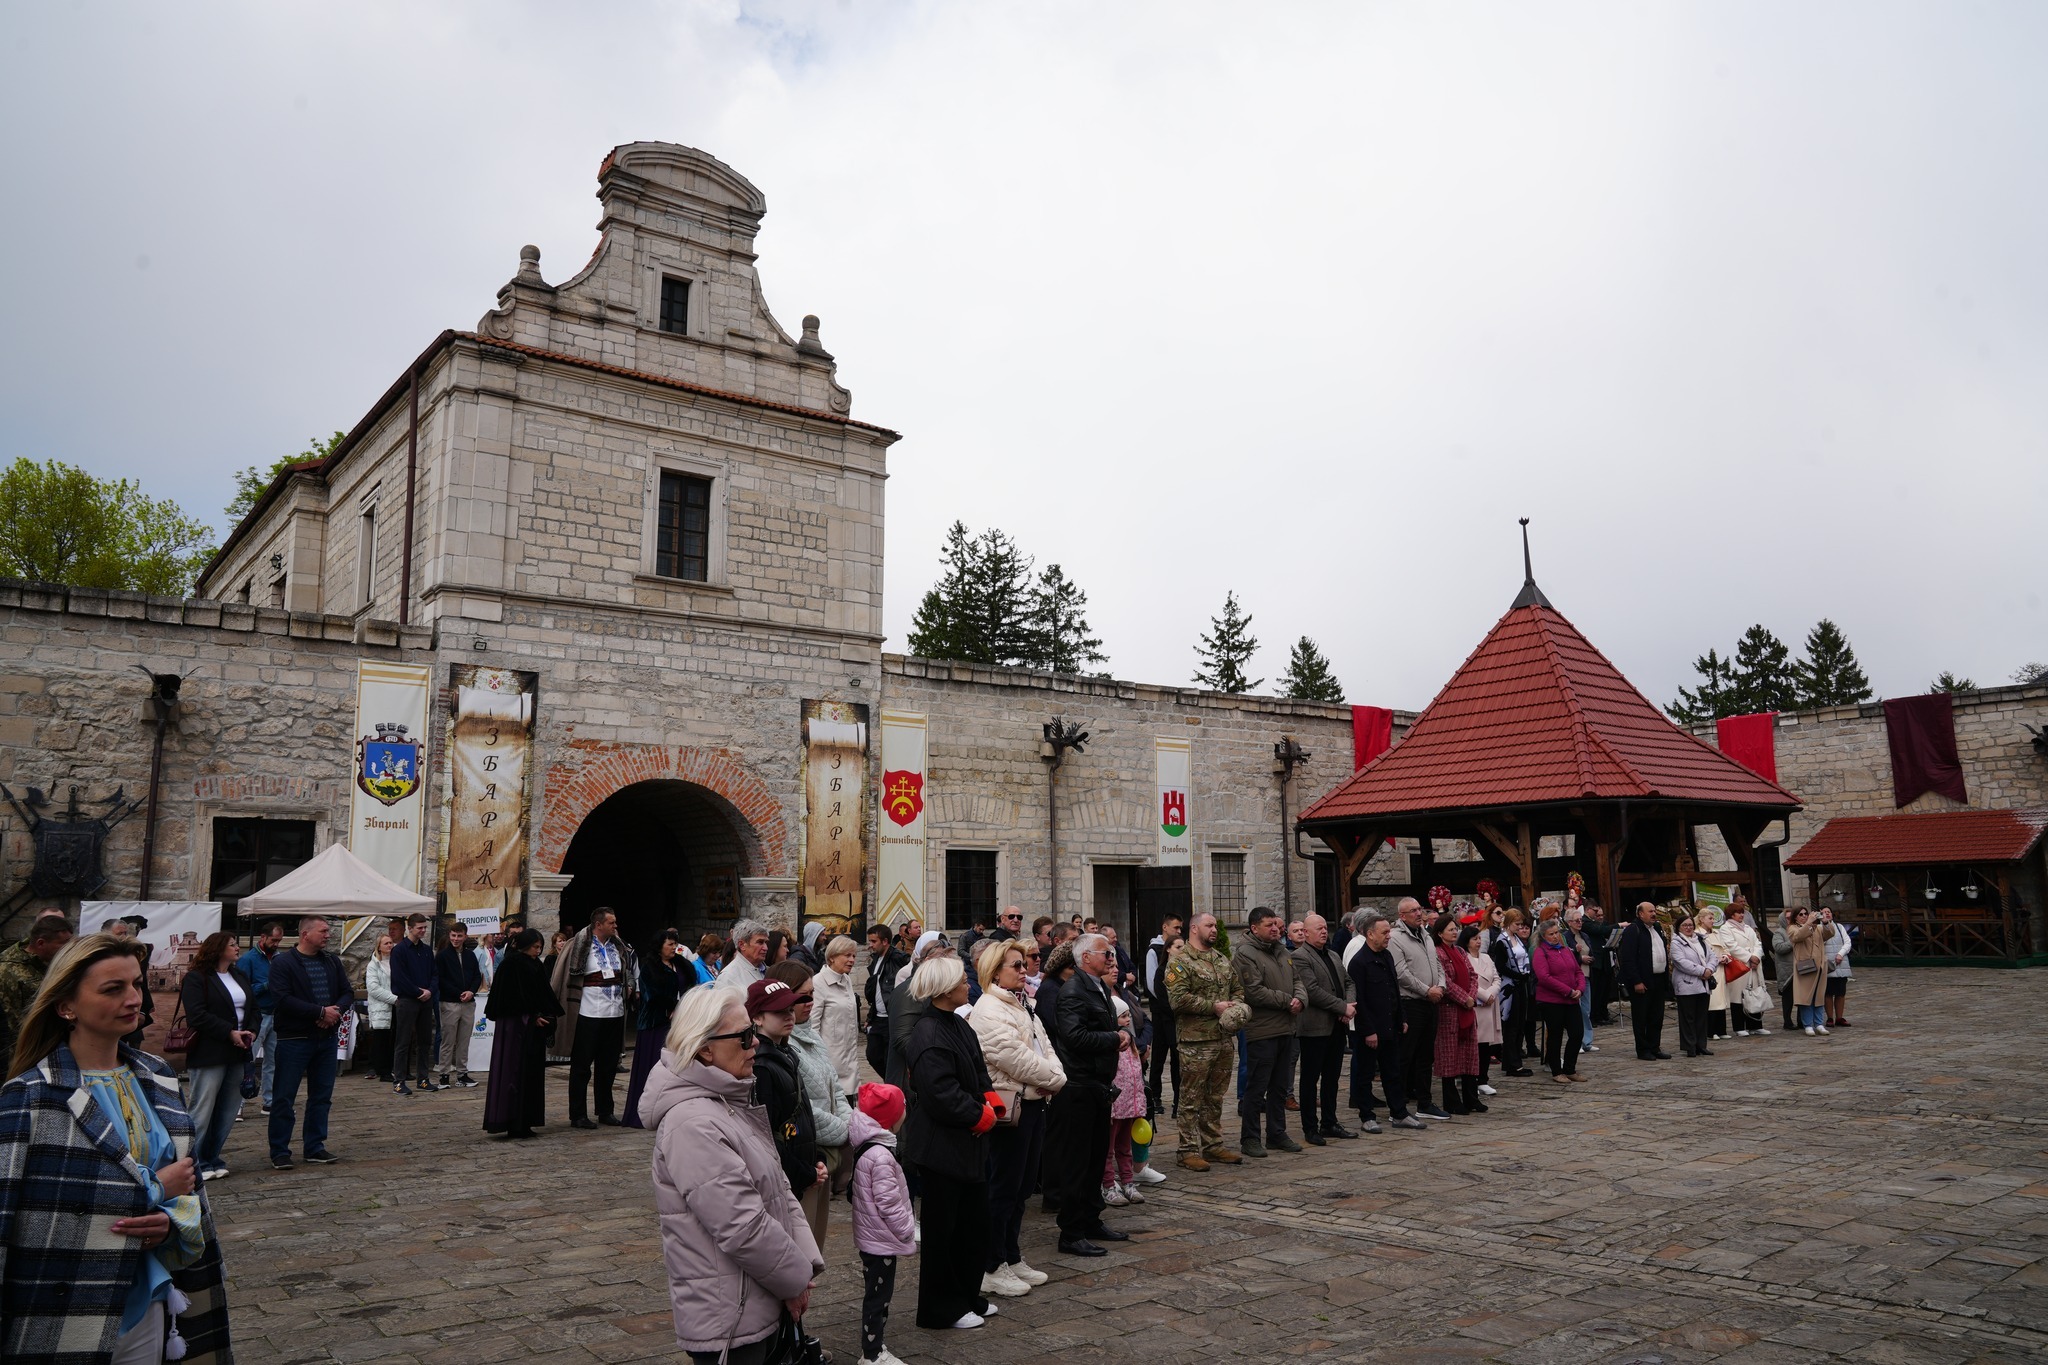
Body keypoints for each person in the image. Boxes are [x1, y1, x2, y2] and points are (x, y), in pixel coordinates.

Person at [0, 933, 230, 1363]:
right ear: (66, 1006)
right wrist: (155, 1188)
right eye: (113, 989)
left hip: (148, 1293)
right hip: (65, 1302)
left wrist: (170, 1223)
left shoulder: (158, 1076)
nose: (134, 999)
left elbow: (189, 1187)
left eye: (137, 984)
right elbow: (20, 1211)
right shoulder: (29, 1094)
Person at [642, 986, 823, 1365]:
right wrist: (793, 1280)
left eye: (752, 1032)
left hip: (758, 1296)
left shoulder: (729, 1103)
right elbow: (743, 1226)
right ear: (705, 1049)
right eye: (743, 1036)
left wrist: (803, 1267)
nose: (754, 1042)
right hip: (730, 1314)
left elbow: (778, 1188)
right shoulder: (693, 1123)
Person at [900, 953, 1000, 1330]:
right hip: (941, 1148)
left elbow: (978, 1070)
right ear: (944, 990)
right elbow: (940, 1093)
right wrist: (978, 1115)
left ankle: (967, 1295)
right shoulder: (928, 1034)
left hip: (968, 1144)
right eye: (960, 981)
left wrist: (991, 1102)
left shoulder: (958, 1024)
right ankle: (940, 1308)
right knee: (944, 1232)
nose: (967, 985)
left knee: (973, 1226)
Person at [968, 938, 1064, 1297]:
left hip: (1034, 1103)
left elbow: (1045, 1046)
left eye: (1025, 964)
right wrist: (1057, 1080)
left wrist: (1054, 1074)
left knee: (1022, 1187)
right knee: (1003, 1188)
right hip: (1012, 1107)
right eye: (1017, 965)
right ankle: (991, 1265)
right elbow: (1015, 1059)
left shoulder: (1022, 1004)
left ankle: (1010, 1253)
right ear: (995, 972)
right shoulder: (989, 1009)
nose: (1025, 970)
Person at [1045, 933, 1127, 1256]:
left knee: (1095, 1159)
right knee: (1077, 1163)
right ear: (1085, 957)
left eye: (1111, 953)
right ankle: (1071, 1231)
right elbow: (1075, 1036)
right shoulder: (1073, 991)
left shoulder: (1097, 986)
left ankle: (1092, 1219)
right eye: (1105, 953)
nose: (1111, 958)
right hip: (1078, 1088)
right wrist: (1113, 1038)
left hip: (1097, 1086)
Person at [767, 961, 855, 1253]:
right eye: (801, 996)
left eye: (811, 994)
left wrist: (849, 1121)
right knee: (800, 1247)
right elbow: (802, 1109)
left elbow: (834, 1088)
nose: (809, 1002)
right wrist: (846, 1130)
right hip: (804, 1157)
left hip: (823, 1155)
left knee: (816, 1243)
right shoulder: (782, 1046)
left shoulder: (812, 1036)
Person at [268, 915, 354, 1169]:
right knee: (284, 1097)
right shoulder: (283, 963)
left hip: (326, 1039)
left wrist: (334, 1012)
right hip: (295, 1039)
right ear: (305, 934)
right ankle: (279, 1151)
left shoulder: (331, 961)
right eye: (323, 931)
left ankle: (315, 1147)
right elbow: (282, 998)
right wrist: (319, 1012)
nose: (328, 935)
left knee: (322, 1096)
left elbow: (347, 991)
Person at [1163, 911, 1245, 1168]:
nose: (1214, 930)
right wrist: (1214, 1007)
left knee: (1215, 1097)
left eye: (1215, 926)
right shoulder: (1180, 961)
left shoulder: (1221, 959)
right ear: (1194, 928)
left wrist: (1236, 1007)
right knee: (1191, 1097)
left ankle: (1213, 1145)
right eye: (1209, 925)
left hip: (1222, 1038)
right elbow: (1178, 999)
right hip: (1195, 1041)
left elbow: (1237, 989)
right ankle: (1187, 1150)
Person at [179, 931, 258, 1182]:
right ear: (218, 948)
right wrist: (228, 1032)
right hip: (209, 1052)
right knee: (203, 1109)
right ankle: (193, 1162)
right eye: (232, 944)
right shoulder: (196, 978)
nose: (237, 948)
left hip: (239, 1051)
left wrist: (252, 1031)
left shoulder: (239, 975)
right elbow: (197, 1015)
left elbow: (253, 1008)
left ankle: (213, 1157)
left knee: (228, 1109)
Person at [551, 908, 639, 1129]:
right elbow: (560, 978)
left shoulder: (618, 946)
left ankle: (605, 1110)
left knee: (608, 1065)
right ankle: (578, 1114)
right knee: (581, 1066)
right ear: (598, 924)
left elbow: (626, 972)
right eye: (611, 922)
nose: (615, 926)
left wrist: (628, 986)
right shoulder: (577, 945)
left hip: (614, 1012)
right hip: (588, 1013)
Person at [848, 1082, 916, 1365]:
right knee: (878, 1297)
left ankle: (874, 1349)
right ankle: (872, 1354)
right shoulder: (881, 1156)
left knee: (878, 1294)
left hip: (872, 1236)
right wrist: (907, 1230)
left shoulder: (869, 1147)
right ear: (891, 1118)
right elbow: (888, 1202)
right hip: (880, 1240)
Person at [1232, 906, 1304, 1156]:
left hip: (1286, 1028)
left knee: (1280, 1087)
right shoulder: (1245, 954)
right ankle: (1250, 1138)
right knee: (1257, 1087)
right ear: (1254, 928)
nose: (1275, 929)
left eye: (1276, 924)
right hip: (1262, 1031)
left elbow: (1297, 980)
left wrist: (1300, 999)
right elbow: (1253, 991)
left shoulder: (1282, 950)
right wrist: (1287, 1001)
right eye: (1269, 925)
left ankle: (1277, 1133)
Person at [1346, 911, 1423, 1132]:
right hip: (1371, 1030)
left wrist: (1402, 1018)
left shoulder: (1387, 955)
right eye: (1385, 932)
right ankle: (1367, 1116)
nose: (1389, 936)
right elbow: (1359, 1000)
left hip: (1390, 1026)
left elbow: (1394, 991)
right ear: (1370, 934)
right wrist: (1368, 1031)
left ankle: (1399, 1113)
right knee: (1365, 1074)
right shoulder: (1359, 962)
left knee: (1393, 1072)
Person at [483, 928, 555, 1140]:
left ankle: (526, 1120)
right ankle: (511, 1120)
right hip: (515, 1027)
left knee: (530, 1073)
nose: (538, 951)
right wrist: (532, 1015)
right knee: (513, 1071)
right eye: (535, 947)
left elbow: (542, 993)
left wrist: (544, 1014)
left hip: (532, 1028)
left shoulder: (536, 964)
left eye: (540, 947)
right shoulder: (510, 965)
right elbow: (509, 998)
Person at [1291, 912, 1356, 1144]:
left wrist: (1348, 1005)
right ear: (1306, 933)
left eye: (1325, 927)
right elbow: (1312, 991)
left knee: (1332, 1078)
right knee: (1310, 1080)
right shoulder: (1300, 957)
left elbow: (1348, 982)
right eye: (1318, 928)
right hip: (1315, 1028)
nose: (1323, 931)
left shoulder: (1333, 954)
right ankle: (1310, 1127)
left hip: (1336, 1027)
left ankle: (1329, 1122)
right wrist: (1342, 1007)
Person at [624, 929, 693, 1130]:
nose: (674, 948)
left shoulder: (681, 965)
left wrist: (685, 1006)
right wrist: (671, 1006)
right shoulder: (649, 968)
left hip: (678, 1022)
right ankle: (644, 1112)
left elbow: (690, 986)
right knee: (653, 1067)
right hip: (655, 1023)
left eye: (675, 944)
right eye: (670, 944)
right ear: (659, 946)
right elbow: (651, 995)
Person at [1388, 897, 1451, 1120]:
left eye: (1419, 909)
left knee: (1426, 1055)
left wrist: (1440, 986)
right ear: (1402, 916)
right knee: (1405, 1055)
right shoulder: (1395, 938)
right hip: (1411, 1002)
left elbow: (1437, 964)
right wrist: (1426, 990)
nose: (1418, 913)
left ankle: (1424, 1103)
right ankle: (1398, 1107)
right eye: (1413, 911)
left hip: (1431, 1001)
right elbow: (1401, 973)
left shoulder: (1425, 934)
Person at [1101, 970, 1149, 1208]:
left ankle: (1128, 1181)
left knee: (1124, 1148)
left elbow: (1136, 1078)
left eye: (1129, 1015)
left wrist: (1140, 1105)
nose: (1128, 1019)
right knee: (1108, 1149)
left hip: (1130, 1107)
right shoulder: (1111, 1046)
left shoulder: (1131, 1046)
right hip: (1115, 1106)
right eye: (1122, 1016)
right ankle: (1108, 1184)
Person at [1427, 913, 1482, 1114]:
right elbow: (1445, 982)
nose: (1454, 932)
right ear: (1440, 933)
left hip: (1466, 1010)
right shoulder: (1437, 953)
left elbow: (1473, 975)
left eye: (1455, 929)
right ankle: (1451, 1101)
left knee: (1469, 1055)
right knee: (1449, 1057)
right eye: (1450, 929)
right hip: (1449, 1011)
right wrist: (1463, 998)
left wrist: (1471, 996)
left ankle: (1471, 1098)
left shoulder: (1459, 950)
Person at [0, 915, 74, 1062]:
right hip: (25, 1054)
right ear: (41, 943)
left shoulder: (52, 962)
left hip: (55, 1046)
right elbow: (11, 1024)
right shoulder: (7, 971)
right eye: (64, 944)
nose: (69, 949)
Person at [387, 914, 440, 1095]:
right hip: (407, 1000)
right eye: (420, 928)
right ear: (410, 928)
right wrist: (418, 992)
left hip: (425, 1000)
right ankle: (399, 1081)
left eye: (425, 927)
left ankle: (423, 1079)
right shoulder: (399, 951)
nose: (423, 930)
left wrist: (430, 991)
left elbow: (434, 974)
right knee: (403, 1041)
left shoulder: (426, 950)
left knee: (424, 1041)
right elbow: (399, 978)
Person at [1531, 915, 1588, 1082]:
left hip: (1572, 999)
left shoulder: (1565, 950)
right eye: (1551, 934)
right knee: (1555, 1036)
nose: (1555, 936)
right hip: (1552, 1001)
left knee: (1577, 1033)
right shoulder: (1541, 952)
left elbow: (1578, 971)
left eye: (1557, 932)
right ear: (1543, 936)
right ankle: (1556, 1071)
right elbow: (1544, 977)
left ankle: (1570, 1068)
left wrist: (1580, 989)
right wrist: (1568, 991)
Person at [238, 919, 286, 1111]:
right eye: (273, 940)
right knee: (247, 1060)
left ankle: (269, 1101)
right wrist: (266, 985)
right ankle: (238, 1104)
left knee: (273, 1061)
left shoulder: (280, 958)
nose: (276, 944)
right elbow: (242, 990)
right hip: (257, 1017)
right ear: (263, 937)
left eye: (279, 941)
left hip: (276, 1015)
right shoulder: (248, 959)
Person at [1616, 902, 1673, 1061]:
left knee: (1657, 1016)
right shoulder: (1633, 930)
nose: (1654, 914)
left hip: (1658, 979)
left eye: (1654, 911)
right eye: (1650, 911)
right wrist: (1636, 981)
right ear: (1640, 914)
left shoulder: (1657, 928)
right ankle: (1643, 1049)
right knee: (1641, 1017)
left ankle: (1655, 1047)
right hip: (1642, 980)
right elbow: (1628, 959)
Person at [813, 935, 863, 1102]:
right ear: (832, 957)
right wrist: (818, 1060)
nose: (852, 960)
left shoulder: (846, 979)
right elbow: (812, 1027)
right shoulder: (818, 983)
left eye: (854, 956)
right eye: (847, 955)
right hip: (830, 1064)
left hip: (850, 1062)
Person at [435, 921, 484, 1088]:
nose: (456, 939)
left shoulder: (470, 955)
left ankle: (462, 1074)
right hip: (450, 1003)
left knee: (464, 1040)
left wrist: (471, 991)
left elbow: (477, 976)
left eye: (459, 936)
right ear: (449, 935)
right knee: (448, 1040)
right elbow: (440, 979)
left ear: (465, 936)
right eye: (453, 935)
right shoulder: (442, 956)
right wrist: (458, 993)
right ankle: (444, 1074)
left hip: (468, 1003)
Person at [1142, 915, 1182, 1117]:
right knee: (1159, 1053)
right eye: (1176, 927)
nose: (1179, 930)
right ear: (1165, 927)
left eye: (1181, 928)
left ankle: (1178, 1098)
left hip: (1174, 1016)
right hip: (1161, 1011)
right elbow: (1152, 983)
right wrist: (1166, 1005)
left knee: (1177, 1057)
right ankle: (1155, 1094)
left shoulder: (1180, 964)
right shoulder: (1154, 951)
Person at [1669, 912, 1719, 1058]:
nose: (1688, 927)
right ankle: (1690, 1046)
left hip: (1703, 984)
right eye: (1684, 925)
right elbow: (1681, 962)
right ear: (1679, 927)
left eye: (1690, 925)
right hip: (1686, 985)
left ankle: (1701, 1045)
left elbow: (1712, 957)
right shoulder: (1676, 943)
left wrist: (1709, 969)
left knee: (1701, 1017)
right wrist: (1702, 971)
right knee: (1688, 1018)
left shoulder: (1701, 940)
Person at [1718, 903, 1769, 1036]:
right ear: (1731, 914)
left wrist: (1756, 956)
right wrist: (1749, 957)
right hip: (1739, 966)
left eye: (1742, 913)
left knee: (1754, 993)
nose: (1741, 915)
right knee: (1738, 997)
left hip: (1753, 966)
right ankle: (1739, 1027)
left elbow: (1757, 943)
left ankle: (1755, 1025)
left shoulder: (1748, 928)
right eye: (1738, 913)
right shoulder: (1725, 928)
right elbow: (1731, 946)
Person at [863, 923, 905, 1081]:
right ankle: (892, 1083)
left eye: (874, 941)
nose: (871, 945)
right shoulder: (876, 959)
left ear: (885, 941)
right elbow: (876, 991)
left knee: (891, 1059)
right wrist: (870, 1016)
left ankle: (894, 1087)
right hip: (878, 1018)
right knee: (872, 1055)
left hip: (892, 1018)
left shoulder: (898, 957)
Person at [1467, 924, 1503, 1097]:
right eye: (1475, 939)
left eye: (1479, 938)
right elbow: (1469, 981)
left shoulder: (1487, 957)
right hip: (1476, 1004)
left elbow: (1496, 978)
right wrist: (1483, 995)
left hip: (1489, 1004)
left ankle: (1483, 1079)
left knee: (1485, 1045)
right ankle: (1471, 1079)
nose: (1479, 942)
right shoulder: (1465, 958)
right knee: (1474, 1044)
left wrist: (1492, 993)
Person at [1786, 907, 1831, 1034]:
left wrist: (1825, 922)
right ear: (1795, 917)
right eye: (1801, 914)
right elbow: (1798, 936)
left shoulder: (1817, 928)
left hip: (1819, 966)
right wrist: (1808, 923)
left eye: (1806, 914)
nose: (1804, 916)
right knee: (1806, 997)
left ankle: (1819, 1023)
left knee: (1819, 996)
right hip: (1805, 967)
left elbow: (1829, 934)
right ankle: (1807, 1025)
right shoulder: (1792, 928)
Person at [1562, 906, 1600, 1053]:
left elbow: (1591, 952)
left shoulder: (1584, 936)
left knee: (1586, 1009)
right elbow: (1565, 957)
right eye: (1576, 920)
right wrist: (1579, 957)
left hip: (1587, 976)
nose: (1580, 923)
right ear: (1569, 922)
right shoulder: (1565, 937)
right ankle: (1576, 1041)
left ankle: (1587, 1041)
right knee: (1576, 1011)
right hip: (1573, 978)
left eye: (1581, 920)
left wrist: (1590, 958)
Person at [363, 934, 398, 1083]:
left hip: (397, 1006)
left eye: (391, 943)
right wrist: (394, 998)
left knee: (395, 1038)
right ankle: (382, 1071)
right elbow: (373, 988)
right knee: (381, 1038)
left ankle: (393, 1069)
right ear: (379, 947)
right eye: (386, 943)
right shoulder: (373, 965)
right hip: (382, 1005)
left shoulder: (396, 962)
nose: (389, 945)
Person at [1582, 903, 1617, 1026]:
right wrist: (1619, 925)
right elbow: (1599, 931)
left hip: (1605, 960)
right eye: (1597, 913)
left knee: (1604, 989)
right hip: (1595, 961)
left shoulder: (1601, 924)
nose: (1599, 917)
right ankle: (1594, 1016)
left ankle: (1602, 1013)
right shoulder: (1586, 923)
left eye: (1601, 915)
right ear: (1588, 910)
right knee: (1595, 991)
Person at [719, 919, 770, 990]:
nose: (765, 948)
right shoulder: (728, 977)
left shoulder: (769, 971)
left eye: (766, 942)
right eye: (760, 942)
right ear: (742, 945)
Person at [1824, 909, 1854, 1027]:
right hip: (1827, 964)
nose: (1827, 914)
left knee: (1840, 992)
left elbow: (1847, 942)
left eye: (1828, 912)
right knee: (1828, 993)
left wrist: (1840, 954)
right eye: (1824, 912)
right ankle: (1830, 1018)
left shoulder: (1839, 927)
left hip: (1840, 963)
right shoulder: (1818, 928)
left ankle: (1839, 1017)